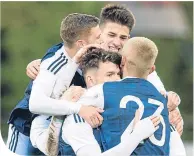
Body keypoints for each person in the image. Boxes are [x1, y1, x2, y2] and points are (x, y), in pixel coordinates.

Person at [60, 38, 186, 156]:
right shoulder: (160, 100)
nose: (116, 79)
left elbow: (63, 104)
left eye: (117, 74)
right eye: (110, 75)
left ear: (123, 62)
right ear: (152, 69)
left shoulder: (104, 92)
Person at [6, 13, 102, 155]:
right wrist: (79, 108)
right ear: (81, 43)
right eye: (98, 37)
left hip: (54, 131)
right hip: (26, 127)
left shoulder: (87, 57)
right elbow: (35, 105)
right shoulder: (53, 64)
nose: (102, 41)